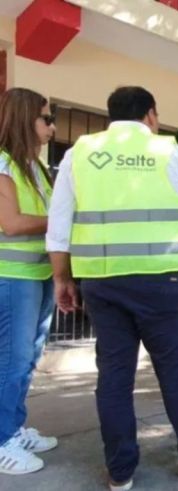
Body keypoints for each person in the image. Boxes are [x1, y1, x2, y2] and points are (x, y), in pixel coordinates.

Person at [46, 86, 178, 490]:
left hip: (102, 281)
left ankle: (120, 471)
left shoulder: (79, 153)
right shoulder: (173, 154)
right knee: (175, 374)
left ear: (112, 116)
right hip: (162, 282)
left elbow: (58, 227)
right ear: (150, 114)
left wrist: (62, 278)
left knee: (114, 377)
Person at [0, 88, 58, 475]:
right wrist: (63, 221)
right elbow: (12, 223)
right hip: (14, 278)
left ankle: (14, 428)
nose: (52, 127)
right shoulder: (3, 164)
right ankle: (3, 440)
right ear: (25, 119)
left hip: (39, 275)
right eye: (46, 119)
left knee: (29, 358)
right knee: (12, 360)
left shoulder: (35, 168)